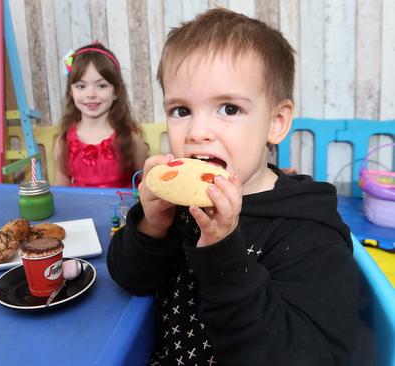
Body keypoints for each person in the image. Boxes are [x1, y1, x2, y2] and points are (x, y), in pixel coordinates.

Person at [107, 9, 358, 366]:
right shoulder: (178, 206)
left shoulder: (308, 233)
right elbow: (130, 279)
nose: (196, 132)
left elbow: (308, 355)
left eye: (228, 108)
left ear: (276, 122)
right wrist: (151, 226)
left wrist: (224, 253)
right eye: (181, 110)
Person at [53, 42, 148, 188]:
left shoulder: (130, 140)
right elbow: (61, 194)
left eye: (102, 85)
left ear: (116, 91)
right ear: (71, 92)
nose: (91, 94)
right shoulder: (64, 143)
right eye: (81, 86)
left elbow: (149, 189)